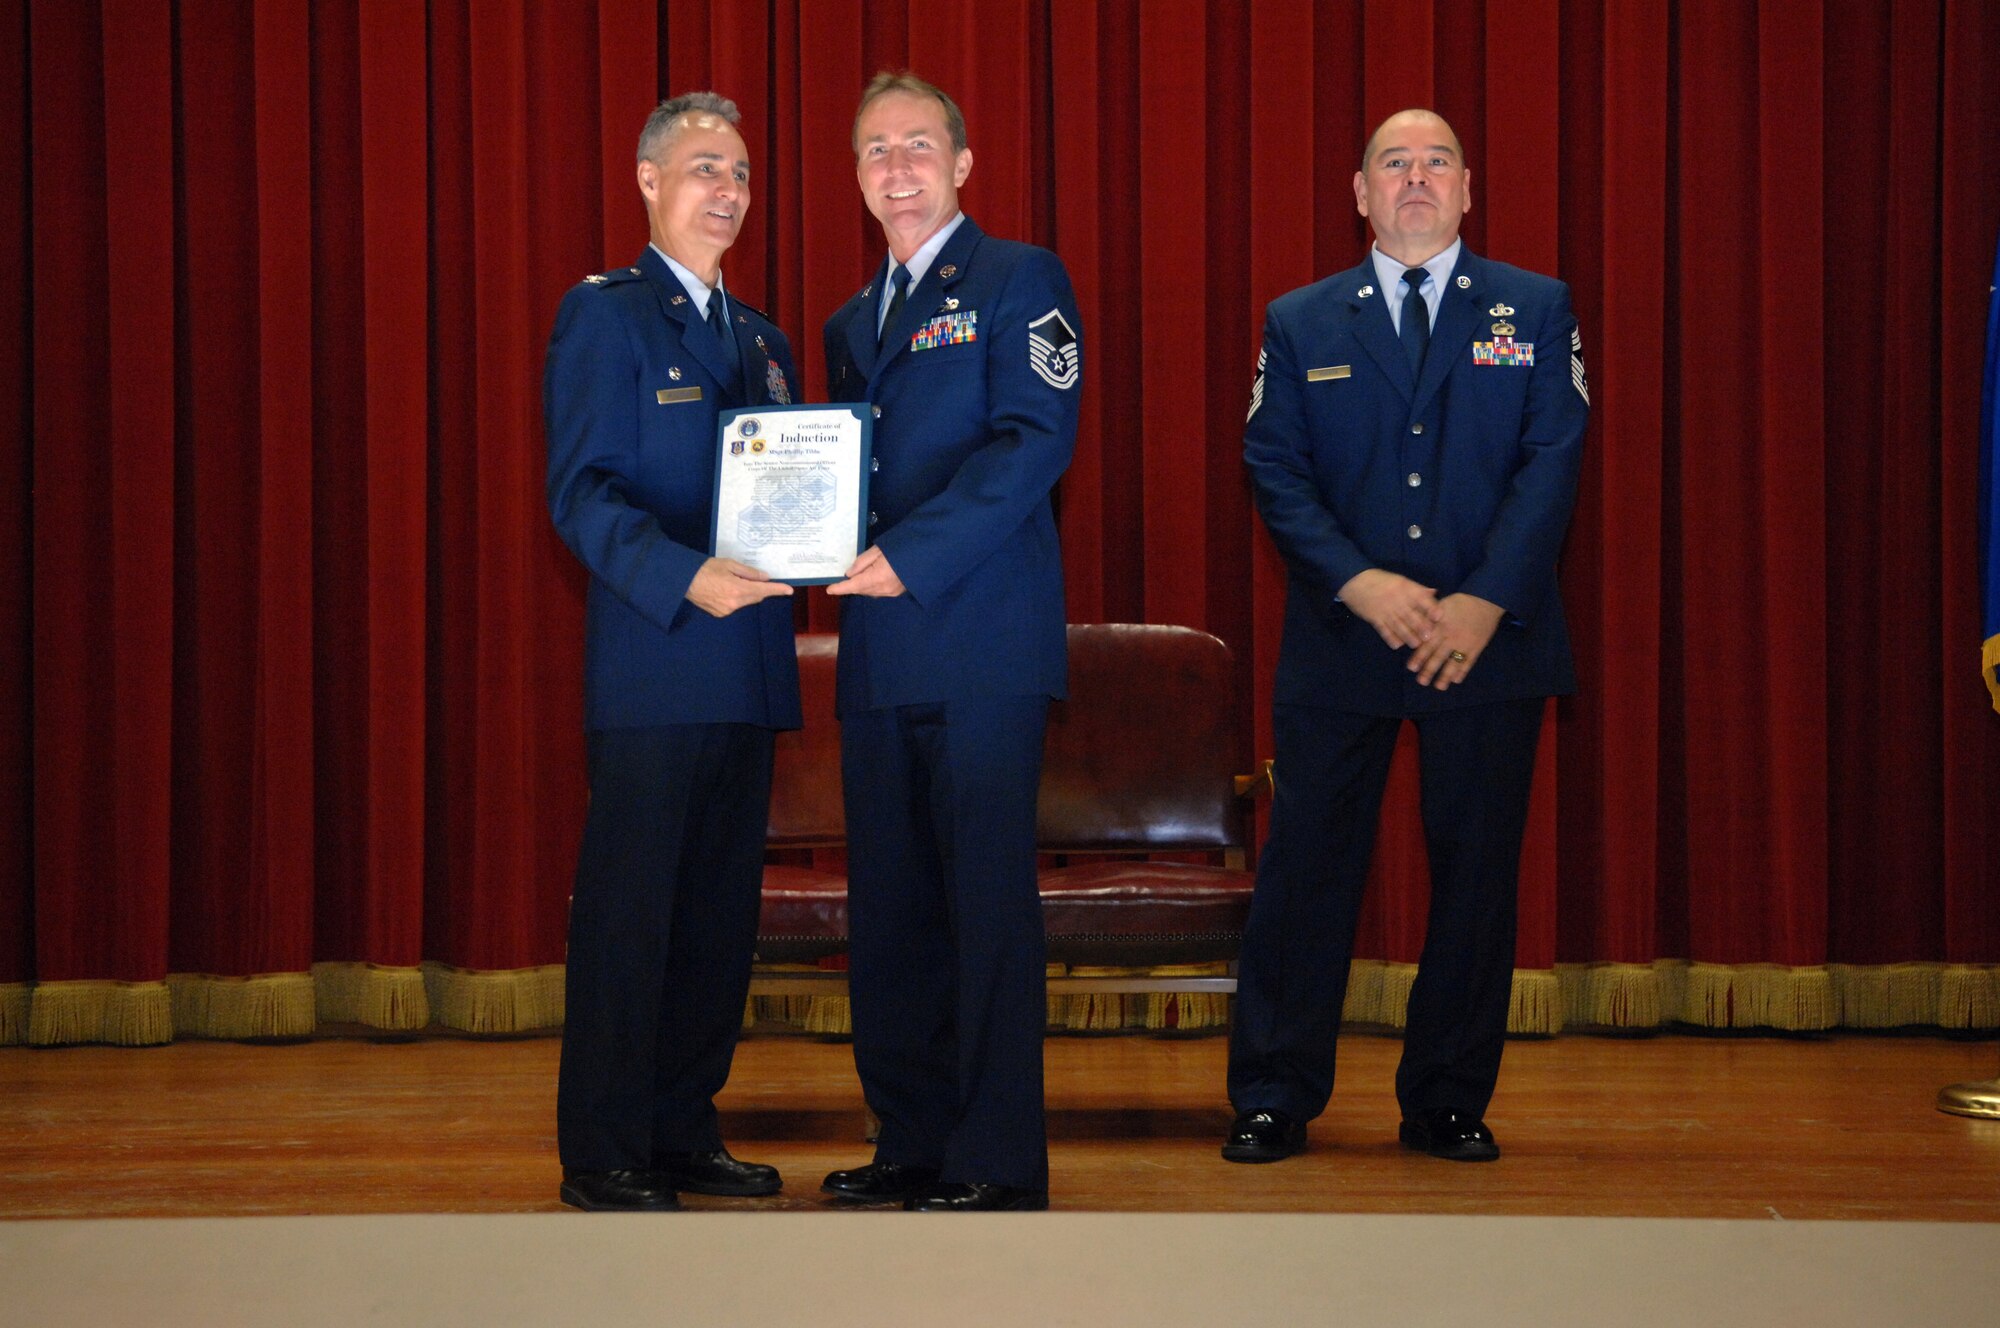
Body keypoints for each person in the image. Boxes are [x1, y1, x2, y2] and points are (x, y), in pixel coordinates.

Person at [1225, 109, 1589, 1165]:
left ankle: (1445, 1098)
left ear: (1468, 189)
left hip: (1489, 641)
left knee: (1475, 877)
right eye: (1395, 163)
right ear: (1360, 192)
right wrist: (1359, 582)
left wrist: (1483, 601)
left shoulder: (1535, 307)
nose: (1416, 178)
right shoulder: (1300, 321)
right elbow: (1273, 469)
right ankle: (1273, 1094)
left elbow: (1553, 460)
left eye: (1437, 163)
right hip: (1344, 637)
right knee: (1306, 871)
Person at [816, 71, 1082, 1212]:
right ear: (856, 175)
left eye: (918, 145)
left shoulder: (1021, 278)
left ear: (962, 164)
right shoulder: (848, 322)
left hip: (982, 646)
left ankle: (994, 1158)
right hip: (880, 653)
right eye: (876, 149)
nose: (897, 167)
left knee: (983, 909)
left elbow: (1033, 441)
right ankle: (911, 1141)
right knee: (892, 915)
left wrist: (912, 553)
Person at [543, 92, 801, 1211]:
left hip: (747, 671)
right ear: (648, 181)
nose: (726, 190)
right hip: (655, 661)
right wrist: (682, 572)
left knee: (713, 923)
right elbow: (581, 494)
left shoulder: (764, 341)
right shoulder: (605, 316)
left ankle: (684, 1126)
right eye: (704, 168)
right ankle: (605, 1149)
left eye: (739, 172)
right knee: (631, 916)